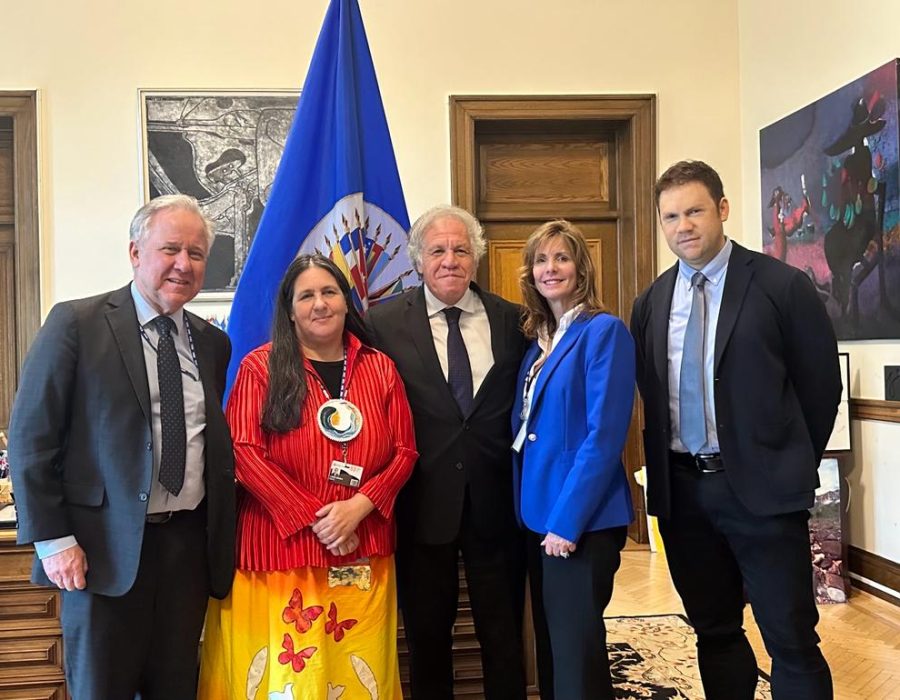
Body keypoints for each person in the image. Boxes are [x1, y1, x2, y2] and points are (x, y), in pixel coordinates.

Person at [8, 194, 235, 699]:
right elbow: (31, 439)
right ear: (135, 252)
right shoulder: (77, 323)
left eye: (196, 253)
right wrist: (54, 540)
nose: (183, 264)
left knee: (175, 688)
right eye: (170, 249)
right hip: (99, 552)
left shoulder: (213, 343)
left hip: (186, 553)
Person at [630, 160, 841, 699]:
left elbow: (820, 388)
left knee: (791, 640)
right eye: (671, 216)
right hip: (684, 496)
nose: (684, 226)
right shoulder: (651, 303)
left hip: (764, 494)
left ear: (721, 209)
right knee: (715, 631)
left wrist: (787, 462)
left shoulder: (782, 286)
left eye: (695, 211)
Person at [198, 254, 417, 700]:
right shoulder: (260, 368)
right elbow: (243, 451)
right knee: (287, 679)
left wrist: (358, 508)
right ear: (290, 309)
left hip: (362, 547)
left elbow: (404, 451)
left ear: (346, 301)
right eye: (307, 295)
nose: (320, 304)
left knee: (356, 673)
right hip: (278, 551)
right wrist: (319, 519)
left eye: (329, 292)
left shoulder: (380, 367)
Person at [366, 205, 529, 699]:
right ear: (418, 260)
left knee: (503, 638)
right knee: (427, 641)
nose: (450, 260)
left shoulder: (513, 320)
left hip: (497, 506)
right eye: (438, 250)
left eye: (461, 249)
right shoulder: (382, 323)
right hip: (420, 506)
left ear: (476, 257)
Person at [511, 220, 635, 699]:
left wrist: (567, 521)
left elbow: (603, 437)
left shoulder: (603, 332)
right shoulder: (540, 341)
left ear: (581, 268)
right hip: (538, 515)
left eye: (561, 258)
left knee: (574, 655)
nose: (550, 268)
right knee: (564, 651)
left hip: (580, 522)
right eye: (541, 260)